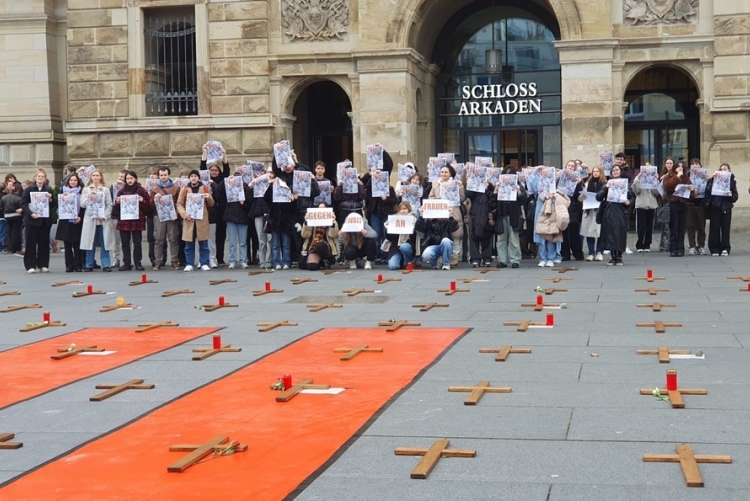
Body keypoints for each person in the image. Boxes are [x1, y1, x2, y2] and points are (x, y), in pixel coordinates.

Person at [176, 169, 215, 271]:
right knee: (189, 244)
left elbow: (211, 204)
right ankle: (189, 263)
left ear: (198, 178)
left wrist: (209, 197)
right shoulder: (184, 189)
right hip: (189, 220)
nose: (193, 178)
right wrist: (184, 215)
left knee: (203, 244)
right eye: (192, 176)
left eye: (195, 176)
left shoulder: (205, 188)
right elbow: (179, 204)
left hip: (201, 220)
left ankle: (204, 263)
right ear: (189, 178)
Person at [20, 169, 56, 273]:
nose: (40, 178)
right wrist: (31, 213)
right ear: (35, 178)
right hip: (32, 220)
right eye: (38, 176)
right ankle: (30, 265)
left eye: (42, 176)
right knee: (31, 243)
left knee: (44, 244)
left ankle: (43, 264)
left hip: (44, 221)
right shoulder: (29, 189)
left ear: (45, 179)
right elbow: (23, 203)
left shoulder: (48, 189)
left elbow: (52, 206)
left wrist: (50, 199)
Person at [428, 164, 465, 267]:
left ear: (450, 174)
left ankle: (454, 257)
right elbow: (431, 197)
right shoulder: (435, 184)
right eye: (442, 172)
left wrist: (461, 187)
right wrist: (439, 201)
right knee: (441, 236)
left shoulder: (456, 184)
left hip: (453, 213)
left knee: (456, 235)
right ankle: (442, 258)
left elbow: (462, 198)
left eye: (445, 172)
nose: (443, 174)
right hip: (439, 214)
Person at [596, 165, 633, 265]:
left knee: (619, 234)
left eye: (617, 170)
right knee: (610, 234)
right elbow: (598, 197)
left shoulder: (626, 184)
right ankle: (613, 257)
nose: (615, 172)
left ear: (620, 171)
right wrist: (605, 188)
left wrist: (628, 202)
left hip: (621, 211)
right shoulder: (607, 183)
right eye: (613, 170)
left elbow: (632, 198)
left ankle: (619, 257)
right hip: (608, 211)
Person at [80, 169, 115, 272]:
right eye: (93, 175)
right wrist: (89, 198)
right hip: (90, 219)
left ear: (100, 177)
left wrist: (105, 215)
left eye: (97, 175)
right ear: (91, 177)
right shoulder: (86, 189)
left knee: (105, 242)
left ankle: (106, 264)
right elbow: (82, 204)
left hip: (102, 220)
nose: (95, 177)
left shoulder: (105, 190)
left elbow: (109, 204)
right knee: (90, 242)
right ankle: (89, 264)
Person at [113, 170, 149, 271]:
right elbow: (116, 207)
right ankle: (127, 263)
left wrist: (142, 201)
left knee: (137, 243)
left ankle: (138, 263)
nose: (129, 180)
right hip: (124, 220)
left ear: (135, 179)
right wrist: (117, 202)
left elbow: (147, 206)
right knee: (125, 243)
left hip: (137, 220)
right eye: (127, 179)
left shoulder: (141, 190)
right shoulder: (121, 191)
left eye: (131, 178)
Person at [201, 143, 230, 268]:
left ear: (219, 171)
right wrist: (204, 153)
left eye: (215, 170)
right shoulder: (206, 180)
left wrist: (224, 156)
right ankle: (211, 257)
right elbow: (202, 168)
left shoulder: (223, 179)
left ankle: (220, 258)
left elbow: (227, 169)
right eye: (211, 170)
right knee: (211, 236)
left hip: (222, 211)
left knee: (221, 236)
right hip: (211, 212)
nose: (213, 172)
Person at [216, 172, 252, 269]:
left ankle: (243, 260)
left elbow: (250, 203)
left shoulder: (246, 189)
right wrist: (226, 180)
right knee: (232, 242)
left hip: (243, 218)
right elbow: (218, 189)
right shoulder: (228, 187)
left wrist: (243, 204)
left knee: (243, 241)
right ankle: (232, 260)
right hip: (231, 216)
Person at [494, 167, 527, 268]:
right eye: (505, 175)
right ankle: (502, 260)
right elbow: (493, 200)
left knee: (514, 238)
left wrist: (519, 192)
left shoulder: (518, 185)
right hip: (501, 214)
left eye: (510, 175)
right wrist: (496, 190)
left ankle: (515, 260)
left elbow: (524, 200)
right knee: (501, 239)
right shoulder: (499, 185)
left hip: (514, 215)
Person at [704, 163, 739, 256]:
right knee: (714, 228)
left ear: (729, 171)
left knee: (725, 229)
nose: (723, 171)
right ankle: (714, 248)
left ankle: (725, 248)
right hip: (715, 206)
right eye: (721, 169)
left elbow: (735, 197)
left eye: (725, 169)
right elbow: (707, 192)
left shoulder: (732, 182)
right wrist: (711, 179)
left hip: (726, 208)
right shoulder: (713, 180)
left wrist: (731, 196)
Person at [661, 159, 694, 257]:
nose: (680, 168)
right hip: (673, 204)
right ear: (675, 168)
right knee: (673, 227)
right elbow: (668, 187)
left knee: (681, 228)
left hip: (683, 204)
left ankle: (680, 248)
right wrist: (677, 177)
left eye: (682, 167)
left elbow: (690, 195)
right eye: (678, 167)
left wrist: (691, 190)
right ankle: (673, 248)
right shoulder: (668, 177)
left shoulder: (686, 178)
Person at [151, 167, 182, 270]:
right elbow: (149, 204)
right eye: (161, 175)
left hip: (172, 217)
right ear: (159, 176)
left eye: (165, 175)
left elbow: (180, 203)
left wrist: (176, 215)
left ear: (169, 175)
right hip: (159, 216)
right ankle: (158, 261)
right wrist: (155, 198)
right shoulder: (155, 188)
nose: (163, 177)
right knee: (159, 239)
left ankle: (174, 260)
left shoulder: (176, 187)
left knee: (173, 238)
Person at [55, 173, 85, 272]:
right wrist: (63, 197)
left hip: (77, 220)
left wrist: (80, 216)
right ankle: (69, 265)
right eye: (71, 180)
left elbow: (83, 206)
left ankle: (78, 264)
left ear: (78, 182)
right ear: (68, 181)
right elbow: (58, 204)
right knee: (67, 245)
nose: (73, 182)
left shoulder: (81, 192)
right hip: (66, 220)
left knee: (77, 244)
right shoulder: (63, 191)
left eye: (75, 180)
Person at [579, 165, 606, 261]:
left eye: (597, 171)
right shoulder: (587, 183)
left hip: (599, 210)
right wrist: (582, 198)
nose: (595, 173)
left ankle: (599, 252)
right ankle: (591, 253)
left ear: (601, 172)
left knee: (599, 232)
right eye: (594, 171)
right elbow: (582, 195)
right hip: (588, 210)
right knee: (588, 232)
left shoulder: (604, 184)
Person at [560, 160, 585, 262]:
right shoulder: (561, 178)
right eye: (568, 165)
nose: (570, 167)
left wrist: (579, 183)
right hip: (563, 207)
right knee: (563, 233)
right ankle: (565, 254)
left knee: (574, 233)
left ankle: (578, 254)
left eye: (572, 166)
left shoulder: (578, 180)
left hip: (573, 208)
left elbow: (578, 195)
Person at [631, 167, 660, 252]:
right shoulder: (638, 179)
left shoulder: (654, 179)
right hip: (641, 204)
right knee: (641, 226)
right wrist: (638, 179)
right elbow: (636, 191)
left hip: (651, 204)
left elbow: (657, 192)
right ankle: (639, 244)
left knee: (649, 226)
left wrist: (655, 180)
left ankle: (647, 244)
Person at [385, 201, 417, 270]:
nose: (403, 211)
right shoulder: (394, 219)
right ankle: (401, 261)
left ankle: (408, 262)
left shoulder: (413, 219)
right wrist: (389, 228)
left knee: (404, 247)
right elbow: (389, 238)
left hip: (408, 246)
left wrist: (414, 227)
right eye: (401, 209)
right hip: (396, 247)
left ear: (409, 209)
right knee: (393, 266)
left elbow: (414, 238)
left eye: (405, 209)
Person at [686, 158, 709, 255]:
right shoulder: (686, 176)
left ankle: (701, 246)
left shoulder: (706, 176)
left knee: (701, 227)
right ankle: (692, 246)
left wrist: (710, 180)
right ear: (690, 167)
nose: (695, 166)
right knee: (690, 226)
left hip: (701, 204)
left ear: (700, 166)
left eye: (697, 164)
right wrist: (691, 193)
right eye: (693, 164)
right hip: (690, 204)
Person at [1, 179, 24, 255]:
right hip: (16, 215)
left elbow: (1, 207)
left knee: (9, 231)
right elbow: (22, 207)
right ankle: (15, 247)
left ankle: (10, 246)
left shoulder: (4, 198)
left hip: (7, 215)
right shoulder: (18, 198)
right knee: (16, 232)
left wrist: (4, 212)